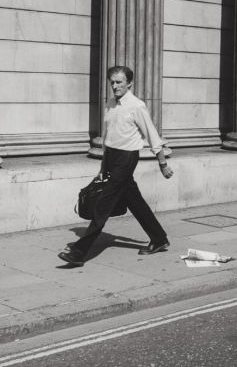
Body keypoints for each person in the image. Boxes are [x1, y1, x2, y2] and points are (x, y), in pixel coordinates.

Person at [58, 66, 174, 267]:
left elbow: (152, 135)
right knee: (134, 201)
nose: (115, 86)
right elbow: (109, 137)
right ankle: (159, 239)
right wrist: (103, 165)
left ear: (129, 83)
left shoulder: (137, 106)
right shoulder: (110, 103)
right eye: (112, 82)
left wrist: (163, 163)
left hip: (127, 159)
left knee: (103, 203)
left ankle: (78, 253)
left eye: (119, 82)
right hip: (111, 158)